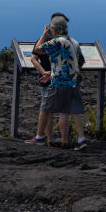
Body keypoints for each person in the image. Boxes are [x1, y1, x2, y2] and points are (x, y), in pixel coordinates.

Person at [30, 14, 88, 150]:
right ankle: (81, 139)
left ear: (53, 29)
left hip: (60, 83)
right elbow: (81, 62)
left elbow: (38, 50)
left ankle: (39, 137)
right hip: (74, 81)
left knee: (45, 108)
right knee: (73, 110)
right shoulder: (74, 41)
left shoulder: (57, 41)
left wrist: (44, 35)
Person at [23, 12, 68, 145]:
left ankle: (49, 140)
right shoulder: (63, 41)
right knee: (62, 111)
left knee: (47, 110)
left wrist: (43, 72)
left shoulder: (43, 39)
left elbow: (33, 57)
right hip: (60, 79)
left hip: (46, 80)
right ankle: (64, 140)